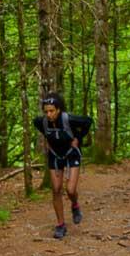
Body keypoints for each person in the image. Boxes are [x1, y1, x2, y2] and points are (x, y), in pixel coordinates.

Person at [33, 93, 93, 239]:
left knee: (70, 190)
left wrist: (78, 138)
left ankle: (75, 205)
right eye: (46, 111)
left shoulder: (69, 119)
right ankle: (60, 225)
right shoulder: (42, 122)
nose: (48, 114)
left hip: (72, 154)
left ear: (58, 110)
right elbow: (36, 123)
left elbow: (88, 121)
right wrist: (48, 139)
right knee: (56, 189)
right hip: (55, 156)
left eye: (52, 111)